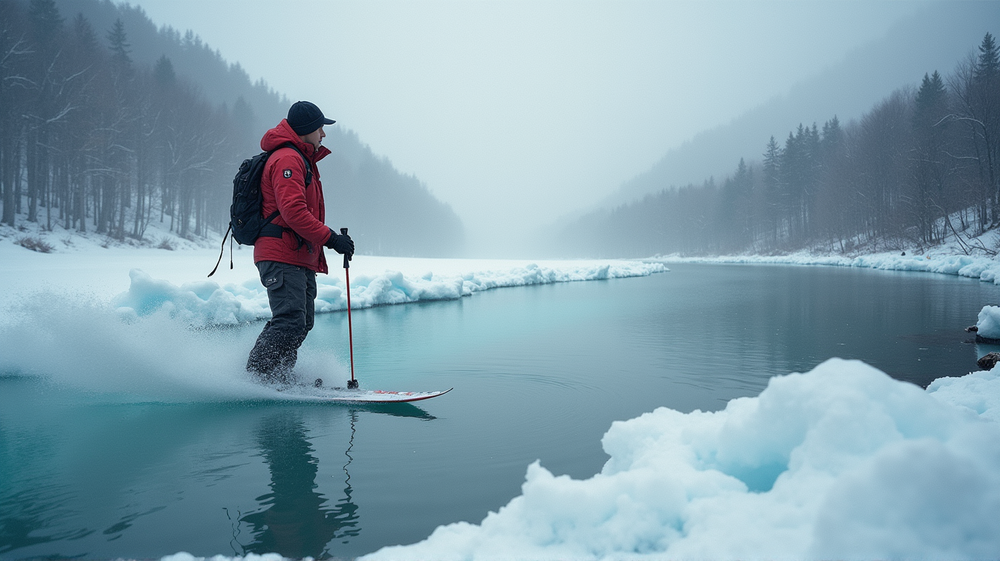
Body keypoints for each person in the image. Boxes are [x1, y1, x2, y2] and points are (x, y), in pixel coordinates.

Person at [246, 100, 354, 384]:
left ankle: (279, 376)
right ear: (307, 129)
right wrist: (331, 238)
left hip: (296, 255)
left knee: (301, 323)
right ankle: (256, 379)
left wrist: (329, 240)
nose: (324, 134)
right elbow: (293, 212)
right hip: (281, 254)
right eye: (321, 128)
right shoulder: (288, 160)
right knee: (290, 320)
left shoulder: (301, 158)